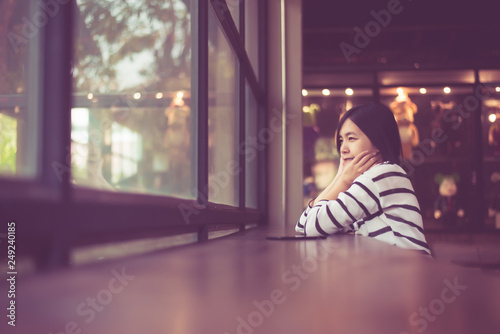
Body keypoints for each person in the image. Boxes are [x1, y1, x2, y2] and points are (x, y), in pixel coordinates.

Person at [296, 103, 431, 256]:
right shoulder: (372, 178)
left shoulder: (381, 175)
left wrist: (344, 181)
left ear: (378, 141)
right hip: (397, 271)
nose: (343, 149)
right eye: (341, 140)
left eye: (351, 138)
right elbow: (303, 225)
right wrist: (340, 177)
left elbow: (311, 227)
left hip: (409, 272)